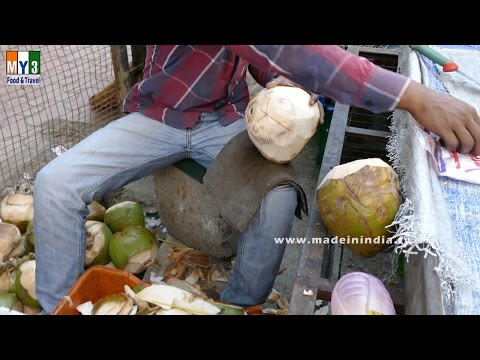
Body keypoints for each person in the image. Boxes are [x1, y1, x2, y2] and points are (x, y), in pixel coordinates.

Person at [34, 45, 480, 314]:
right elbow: (296, 52)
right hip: (158, 118)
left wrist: (279, 81)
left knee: (279, 198)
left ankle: (238, 303)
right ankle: (62, 304)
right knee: (55, 184)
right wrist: (412, 95)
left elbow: (267, 59)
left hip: (226, 119)